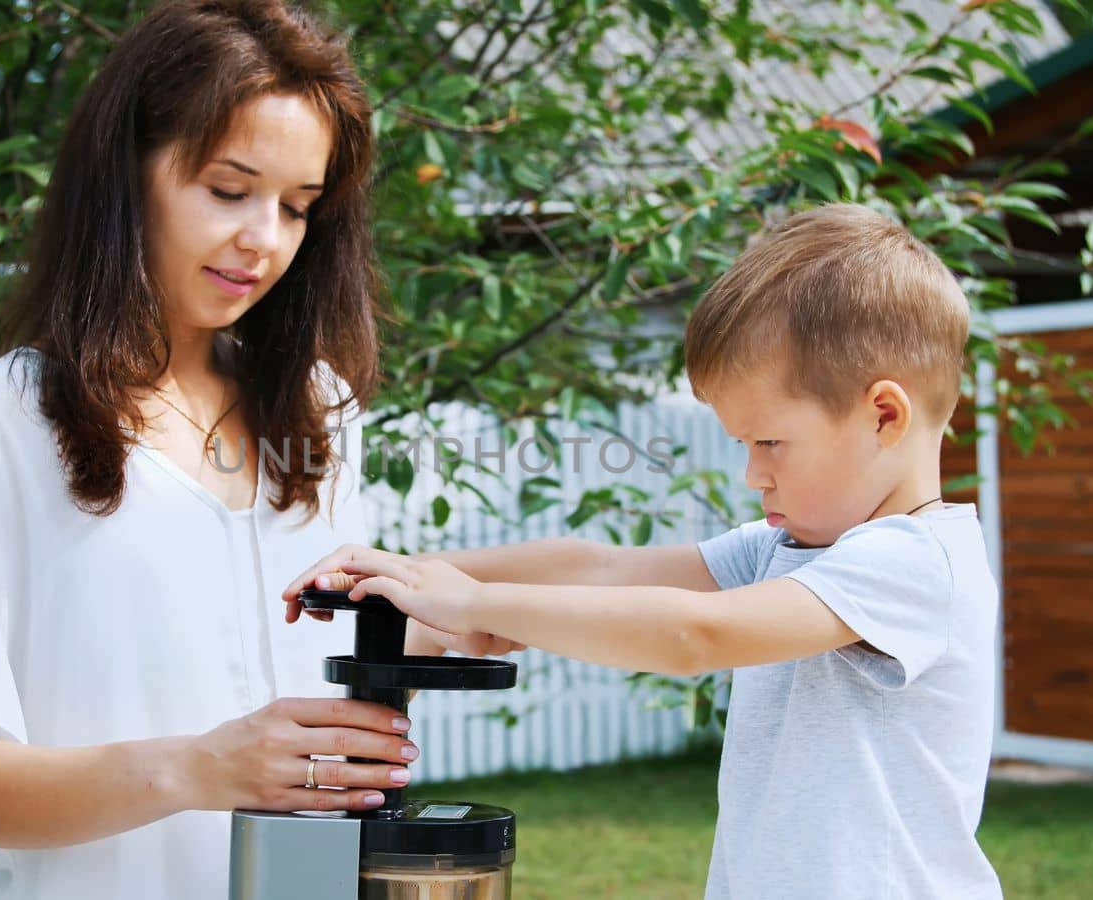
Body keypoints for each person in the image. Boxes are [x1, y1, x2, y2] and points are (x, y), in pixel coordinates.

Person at [0, 2, 506, 896]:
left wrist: (443, 631)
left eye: (299, 208)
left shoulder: (319, 410)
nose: (264, 241)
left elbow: (264, 642)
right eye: (228, 190)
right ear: (125, 171)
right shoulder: (1, 418)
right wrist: (199, 768)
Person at [287, 203, 1003, 899]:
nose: (754, 474)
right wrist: (410, 573)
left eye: (770, 442)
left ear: (884, 415)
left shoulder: (916, 563)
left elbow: (695, 636)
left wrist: (472, 602)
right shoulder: (788, 550)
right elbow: (594, 567)